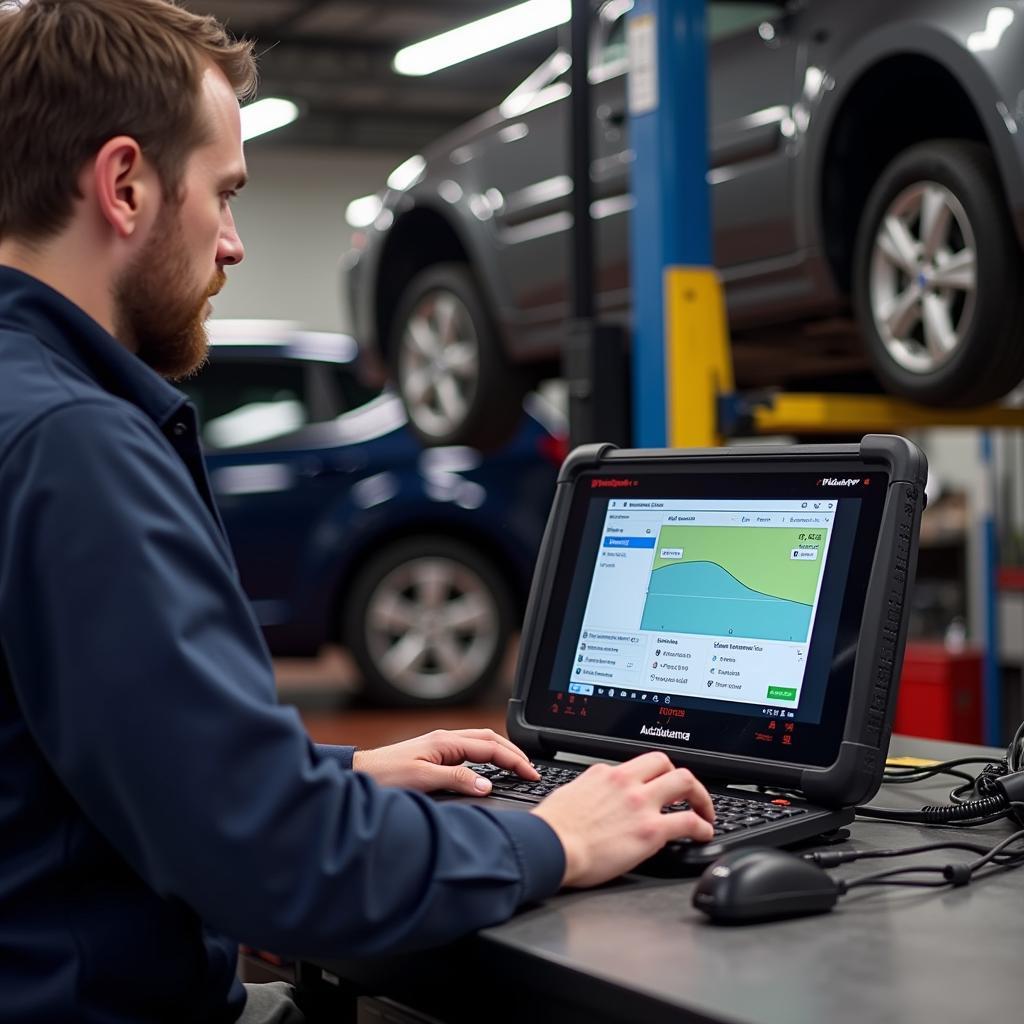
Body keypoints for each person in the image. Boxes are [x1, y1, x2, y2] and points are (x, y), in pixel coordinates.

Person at [0, 2, 716, 1022]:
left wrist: (331, 773)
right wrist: (557, 835)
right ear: (124, 186)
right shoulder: (71, 443)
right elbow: (278, 866)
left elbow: (80, 761)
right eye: (225, 193)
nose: (234, 242)